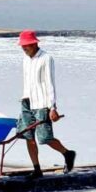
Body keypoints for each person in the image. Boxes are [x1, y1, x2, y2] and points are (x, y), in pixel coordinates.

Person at [17, 30, 76, 181]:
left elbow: (50, 83)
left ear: (34, 43)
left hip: (42, 103)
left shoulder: (46, 58)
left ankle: (67, 153)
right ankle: (37, 169)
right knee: (28, 136)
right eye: (22, 46)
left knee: (45, 138)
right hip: (27, 101)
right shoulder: (25, 59)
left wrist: (52, 107)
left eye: (26, 46)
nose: (24, 48)